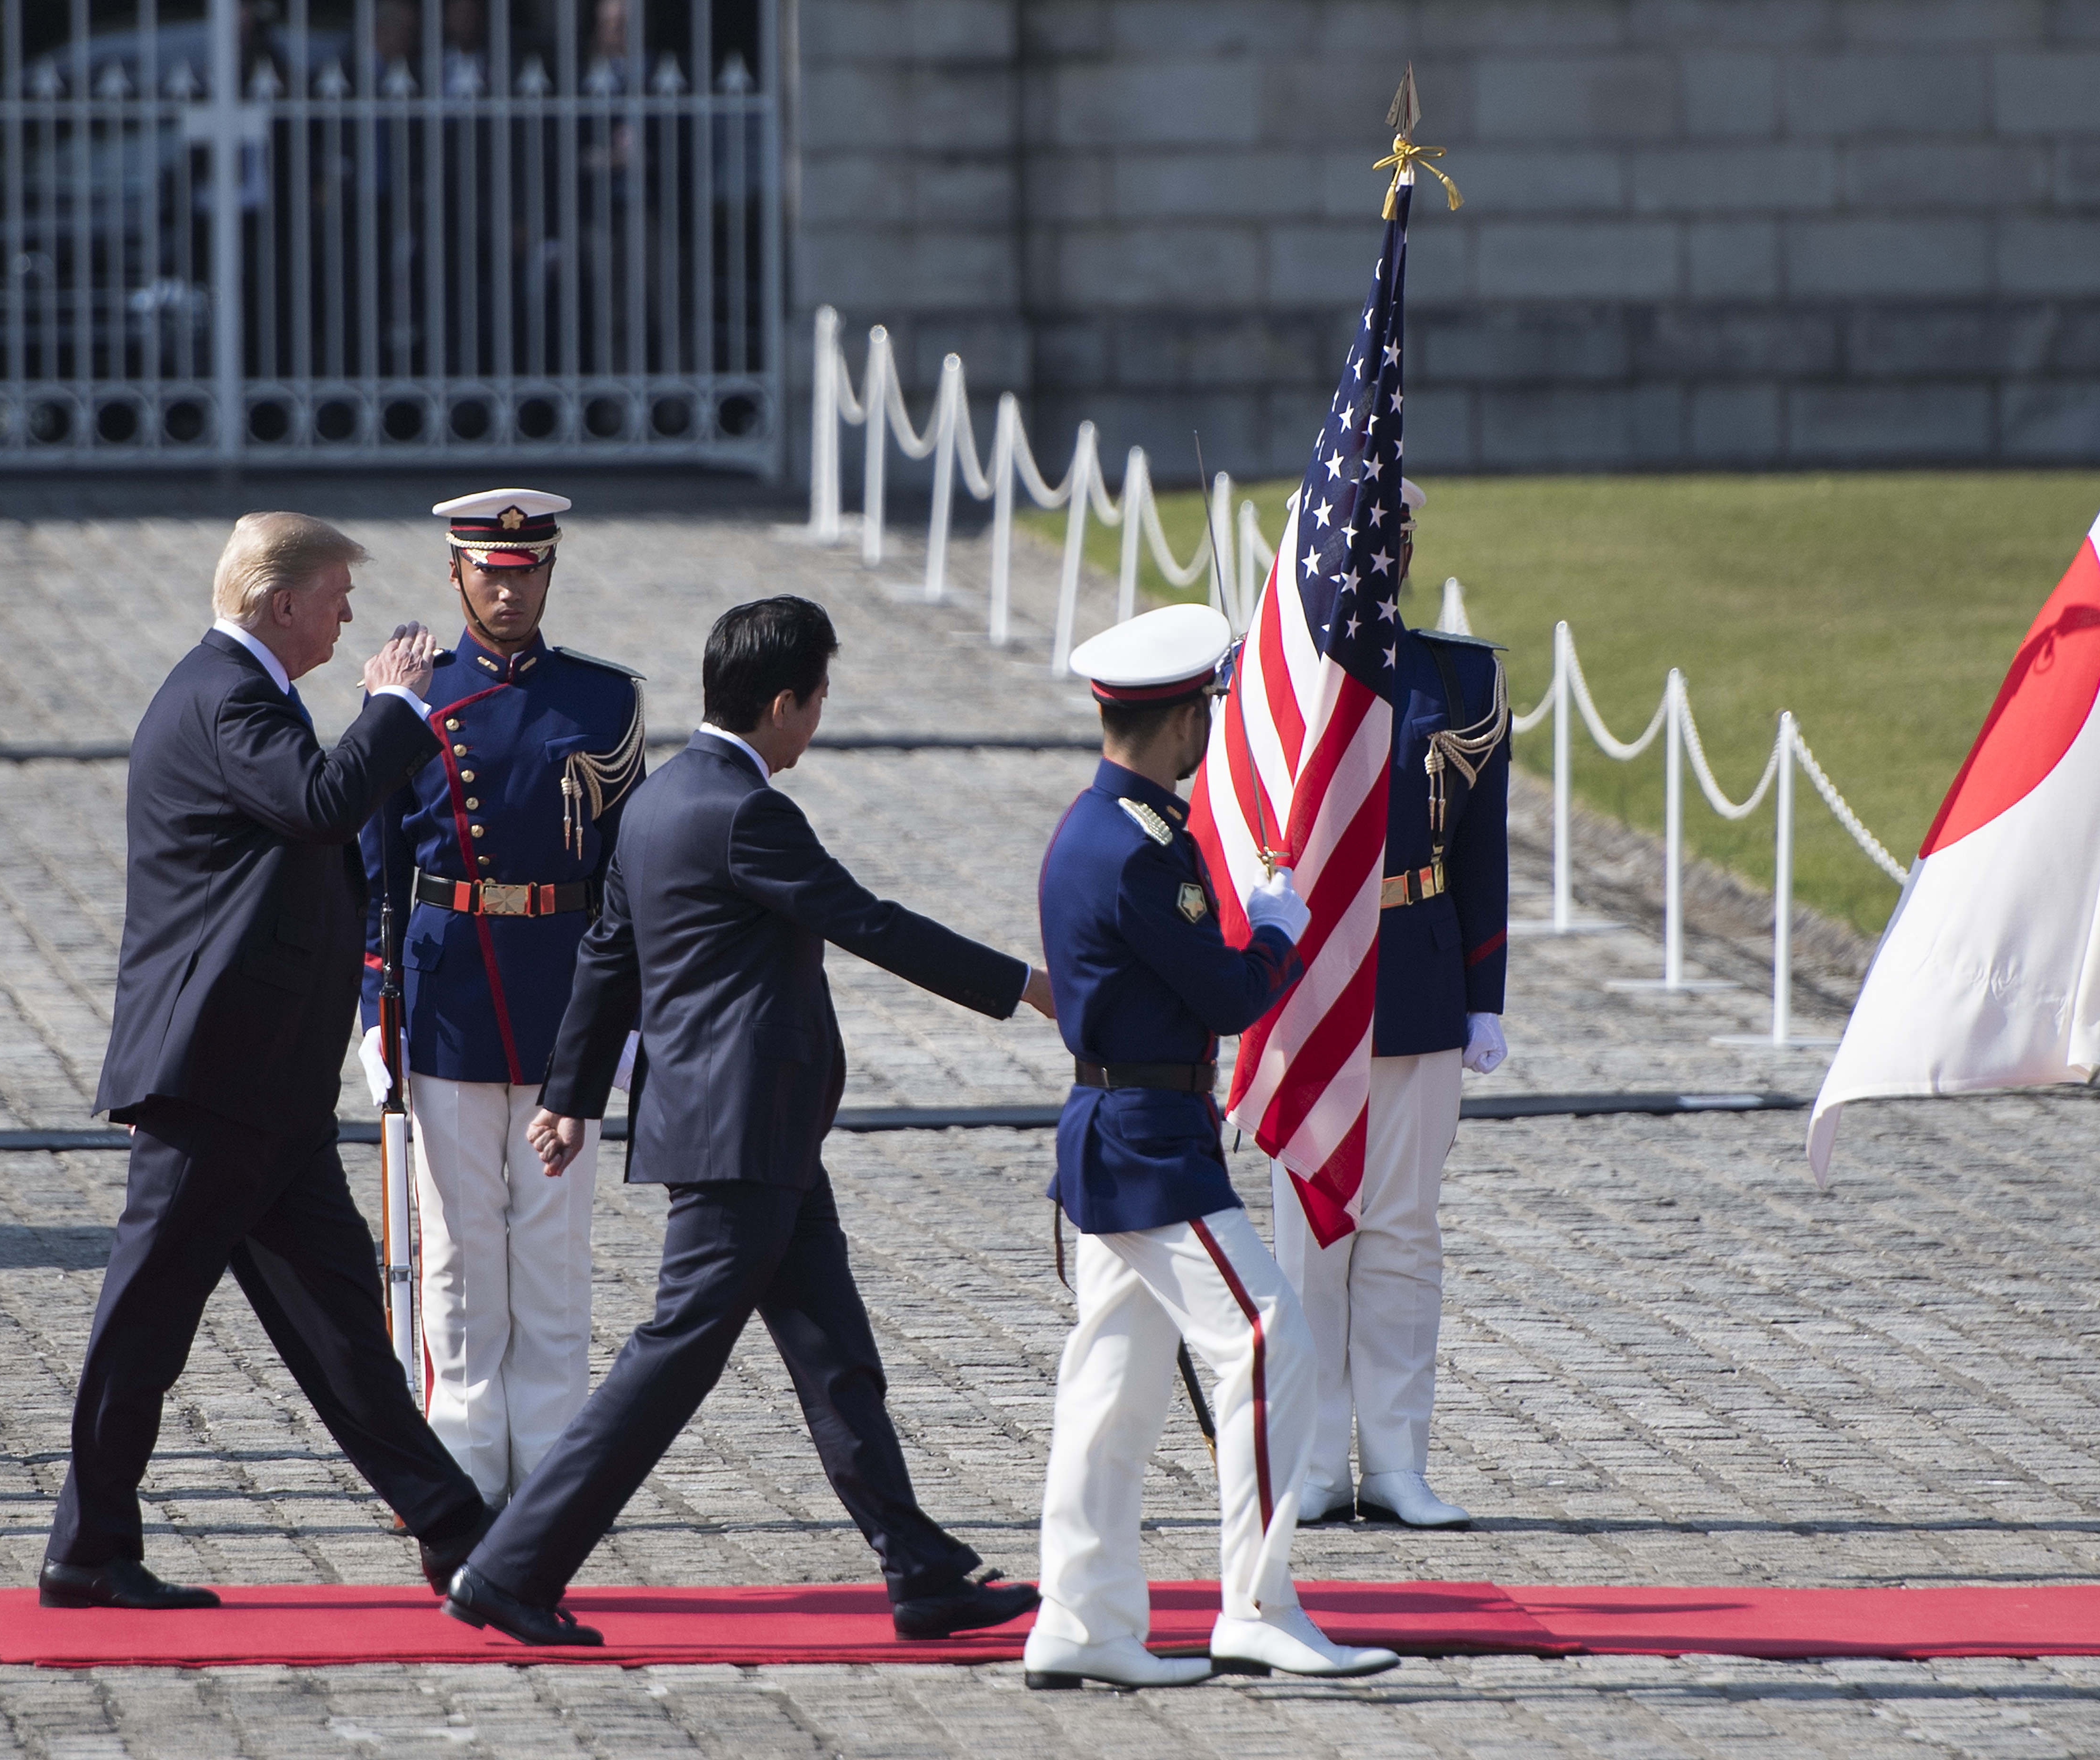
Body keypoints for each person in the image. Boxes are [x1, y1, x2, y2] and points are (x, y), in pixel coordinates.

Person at [445, 596, 1050, 1647]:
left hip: (758, 1135)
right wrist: (1028, 986)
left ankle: (921, 1569)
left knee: (836, 1356)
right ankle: (508, 1566)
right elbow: (867, 919)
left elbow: (607, 955)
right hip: (740, 1139)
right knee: (669, 1361)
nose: (818, 720)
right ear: (781, 703)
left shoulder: (659, 797)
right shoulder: (747, 811)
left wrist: (570, 1095)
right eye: (817, 701)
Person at [47, 513, 493, 1610]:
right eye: (336, 592)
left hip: (267, 1084)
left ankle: (454, 1526)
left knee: (338, 1322)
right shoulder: (225, 693)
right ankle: (87, 1549)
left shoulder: (247, 693)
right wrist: (395, 702)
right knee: (144, 1322)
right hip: (216, 1078)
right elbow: (321, 802)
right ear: (281, 601)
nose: (350, 612)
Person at [1025, 603, 1402, 1691]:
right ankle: (1261, 1602)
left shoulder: (1105, 830)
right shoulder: (1140, 852)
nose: (1212, 727)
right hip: (1149, 1145)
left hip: (1125, 1132)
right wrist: (1277, 926)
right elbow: (1232, 995)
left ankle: (1083, 1615)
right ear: (1181, 715)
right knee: (1272, 1333)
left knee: (1115, 1386)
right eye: (1207, 708)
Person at [355, 489, 645, 1512]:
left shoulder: (605, 704)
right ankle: (466, 1466)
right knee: (462, 1249)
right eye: (488, 572)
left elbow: (625, 877)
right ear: (455, 573)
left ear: (549, 574)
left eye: (524, 573)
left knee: (556, 1254)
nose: (507, 589)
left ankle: (555, 1474)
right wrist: (370, 1009)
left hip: (564, 995)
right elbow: (373, 868)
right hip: (447, 996)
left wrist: (627, 1015)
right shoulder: (414, 698)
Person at [1275, 478, 1511, 1531]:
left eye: (1398, 535)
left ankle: (1398, 1459)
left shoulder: (1456, 680)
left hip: (1415, 969)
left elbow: (1483, 850)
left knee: (1406, 1230)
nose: (1385, 554)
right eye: (1369, 535)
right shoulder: (1273, 682)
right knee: (1310, 1240)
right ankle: (1318, 1459)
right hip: (1311, 981)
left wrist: (1485, 991)